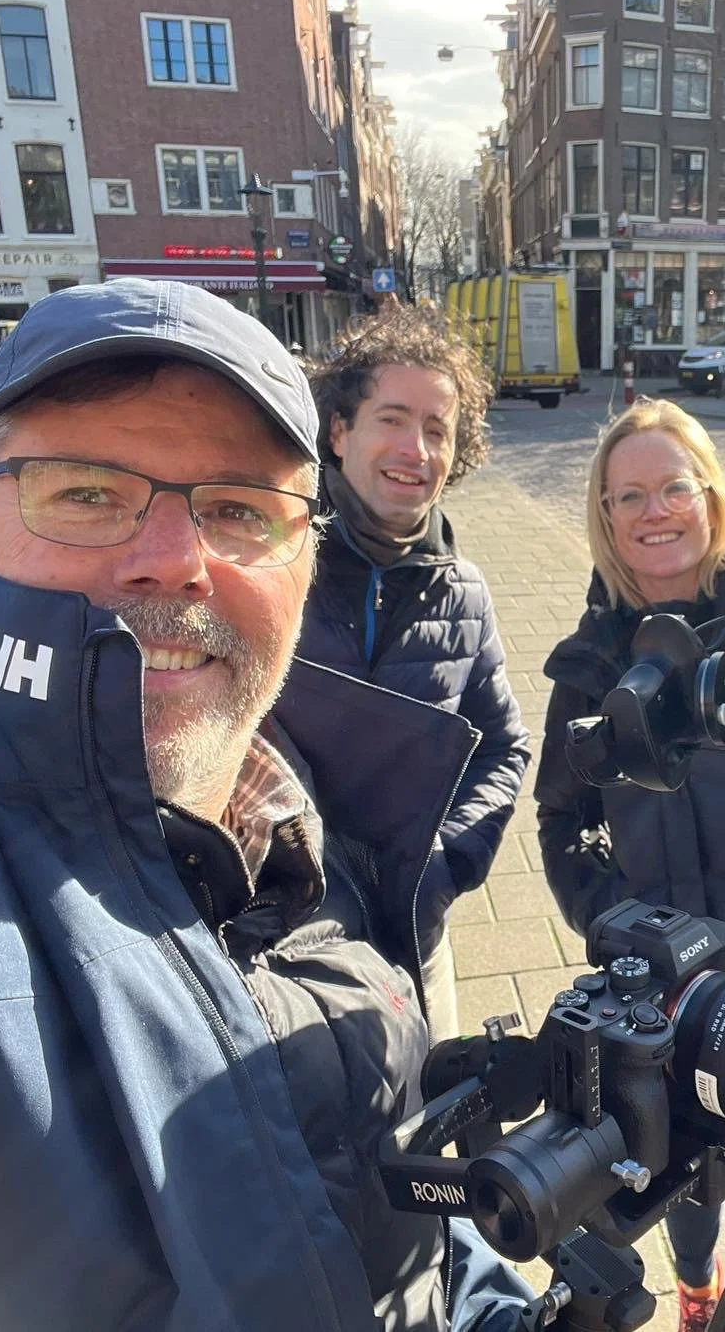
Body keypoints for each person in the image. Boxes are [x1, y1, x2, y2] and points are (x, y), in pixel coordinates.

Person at [0, 279, 528, 1331]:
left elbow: (402, 1238)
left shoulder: (314, 846)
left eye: (239, 508)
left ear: (303, 555)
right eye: (88, 491)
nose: (175, 560)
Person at [534, 398, 725, 1332]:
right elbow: (560, 817)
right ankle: (698, 1286)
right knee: (671, 1163)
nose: (654, 511)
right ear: (605, 517)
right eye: (629, 496)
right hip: (658, 991)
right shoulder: (587, 663)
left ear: (710, 498)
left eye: (672, 487)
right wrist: (614, 922)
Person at [301, 305, 530, 1037]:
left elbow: (503, 745)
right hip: (280, 935)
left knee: (423, 1124)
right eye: (392, 418)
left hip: (411, 931)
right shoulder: (272, 564)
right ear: (339, 432)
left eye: (438, 429)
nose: (416, 447)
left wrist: (447, 865)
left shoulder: (463, 590)